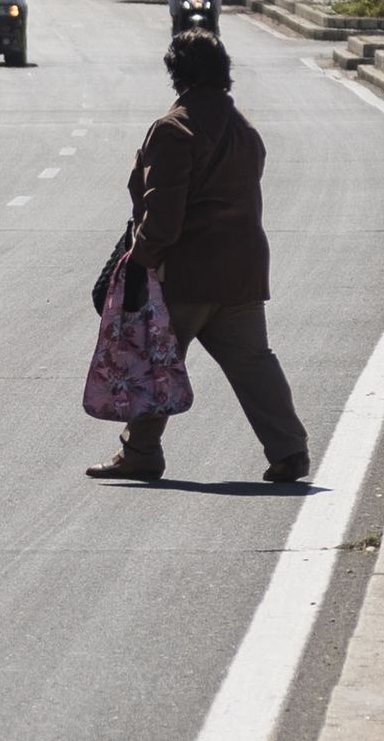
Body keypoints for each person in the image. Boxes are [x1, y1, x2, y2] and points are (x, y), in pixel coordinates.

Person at [87, 30, 310, 484]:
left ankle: (141, 451)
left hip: (186, 275)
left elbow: (164, 215)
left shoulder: (174, 129)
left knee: (154, 357)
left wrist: (139, 260)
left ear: (177, 74)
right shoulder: (244, 128)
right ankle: (290, 451)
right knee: (253, 361)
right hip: (242, 272)